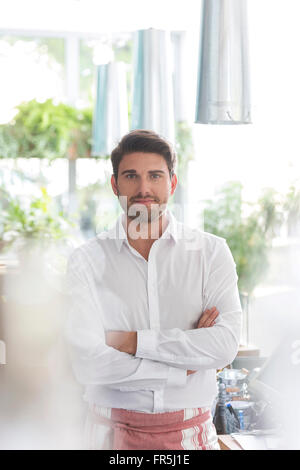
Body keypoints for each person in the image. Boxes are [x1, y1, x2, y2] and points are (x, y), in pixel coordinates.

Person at [65, 129, 242, 450]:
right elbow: (88, 363)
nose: (143, 189)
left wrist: (128, 341)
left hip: (192, 436)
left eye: (155, 176)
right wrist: (185, 365)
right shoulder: (86, 261)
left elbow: (224, 346)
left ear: (172, 183)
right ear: (115, 184)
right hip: (107, 435)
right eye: (131, 176)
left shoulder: (211, 253)